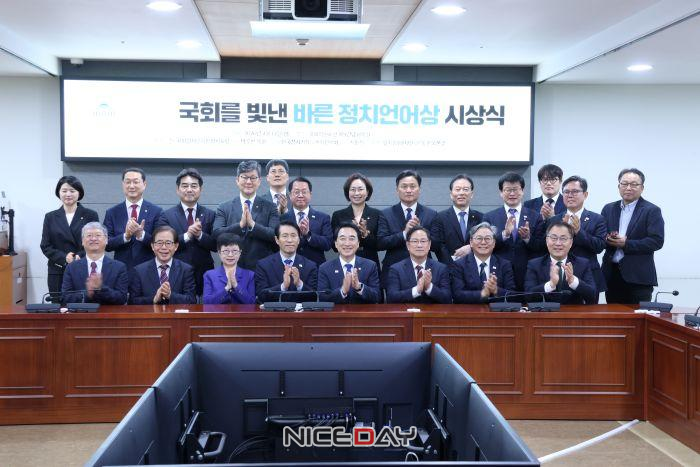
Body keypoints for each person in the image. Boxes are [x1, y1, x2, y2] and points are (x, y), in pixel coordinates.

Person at [601, 168, 664, 303]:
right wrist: (608, 238)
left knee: (639, 315)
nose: (628, 188)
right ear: (619, 186)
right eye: (624, 184)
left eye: (634, 184)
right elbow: (601, 235)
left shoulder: (651, 210)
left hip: (638, 277)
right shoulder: (608, 208)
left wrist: (626, 244)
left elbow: (656, 241)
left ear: (642, 188)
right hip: (612, 275)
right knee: (613, 315)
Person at [156, 168, 216, 296]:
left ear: (200, 189)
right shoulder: (166, 215)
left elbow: (216, 245)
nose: (189, 189)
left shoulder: (210, 214)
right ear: (177, 189)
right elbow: (162, 244)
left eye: (194, 186)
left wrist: (200, 235)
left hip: (203, 273)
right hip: (177, 273)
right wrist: (187, 235)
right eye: (185, 186)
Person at [212, 160, 280, 271]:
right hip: (232, 268)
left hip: (262, 269)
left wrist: (253, 225)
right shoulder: (224, 207)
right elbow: (216, 234)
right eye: (244, 177)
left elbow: (275, 235)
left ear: (259, 181)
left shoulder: (271, 207)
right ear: (237, 180)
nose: (248, 182)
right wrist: (240, 225)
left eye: (253, 178)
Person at [40, 176, 99, 301]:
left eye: (72, 191)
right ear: (58, 192)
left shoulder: (90, 215)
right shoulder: (50, 217)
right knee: (58, 307)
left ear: (79, 193)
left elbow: (95, 242)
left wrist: (80, 255)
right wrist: (64, 258)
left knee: (82, 305)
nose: (68, 194)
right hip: (57, 269)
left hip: (83, 268)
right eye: (64, 190)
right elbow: (45, 245)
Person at [549, 176, 607, 302]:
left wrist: (578, 232)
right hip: (560, 275)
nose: (570, 195)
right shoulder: (554, 220)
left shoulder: (597, 219)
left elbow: (599, 246)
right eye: (566, 192)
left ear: (585, 195)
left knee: (590, 313)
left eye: (575, 191)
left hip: (588, 276)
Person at [483, 172, 544, 290]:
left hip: (527, 272)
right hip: (499, 272)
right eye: (507, 190)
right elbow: (485, 245)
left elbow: (540, 247)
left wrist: (527, 238)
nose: (512, 193)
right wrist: (504, 234)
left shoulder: (535, 216)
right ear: (501, 192)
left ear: (522, 191)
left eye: (515, 189)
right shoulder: (489, 217)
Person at [378, 170, 437, 287]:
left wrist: (420, 231)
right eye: (404, 186)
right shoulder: (386, 214)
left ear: (419, 189)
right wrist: (404, 234)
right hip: (394, 270)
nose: (408, 190)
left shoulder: (431, 214)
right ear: (397, 190)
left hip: (424, 270)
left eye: (412, 186)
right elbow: (381, 242)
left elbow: (436, 244)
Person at [103, 168, 163, 276]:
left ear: (144, 184)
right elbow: (107, 244)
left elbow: (160, 243)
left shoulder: (156, 211)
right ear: (123, 184)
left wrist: (141, 235)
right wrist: (126, 236)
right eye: (128, 182)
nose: (131, 186)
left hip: (148, 270)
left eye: (136, 182)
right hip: (121, 271)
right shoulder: (112, 212)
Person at [524, 221, 596, 304]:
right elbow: (528, 297)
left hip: (574, 312)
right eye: (554, 238)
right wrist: (550, 284)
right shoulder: (534, 264)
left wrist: (573, 281)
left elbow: (593, 296)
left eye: (563, 239)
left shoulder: (582, 264)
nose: (558, 243)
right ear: (547, 240)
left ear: (571, 243)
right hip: (545, 312)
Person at [61, 222, 128, 305]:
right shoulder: (72, 268)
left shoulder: (119, 267)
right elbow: (65, 298)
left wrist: (100, 289)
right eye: (89, 235)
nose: (93, 239)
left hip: (108, 312)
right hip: (81, 312)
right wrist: (88, 294)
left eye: (98, 235)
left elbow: (122, 298)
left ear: (106, 240)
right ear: (82, 241)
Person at [128, 226, 196, 305]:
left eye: (168, 243)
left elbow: (192, 300)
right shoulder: (139, 271)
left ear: (176, 246)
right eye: (159, 243)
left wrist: (170, 295)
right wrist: (154, 299)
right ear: (152, 246)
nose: (164, 247)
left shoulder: (186, 270)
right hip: (150, 313)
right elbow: (132, 302)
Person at [450, 222, 515, 304]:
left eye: (487, 238)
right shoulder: (459, 265)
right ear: (471, 242)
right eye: (479, 238)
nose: (483, 242)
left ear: (494, 243)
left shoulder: (504, 265)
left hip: (497, 310)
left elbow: (512, 296)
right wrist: (482, 294)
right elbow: (457, 295)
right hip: (469, 310)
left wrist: (496, 290)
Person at [254, 222, 319, 303]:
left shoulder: (310, 266)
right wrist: (283, 286)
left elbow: (315, 297)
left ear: (299, 239)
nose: (289, 240)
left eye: (293, 236)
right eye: (285, 236)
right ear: (277, 240)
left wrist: (299, 284)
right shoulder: (263, 265)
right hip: (273, 310)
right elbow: (260, 296)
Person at [318, 223, 381, 304]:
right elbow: (322, 298)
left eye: (351, 239)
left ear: (358, 243)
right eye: (342, 238)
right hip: (336, 312)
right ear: (336, 244)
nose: (347, 243)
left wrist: (359, 287)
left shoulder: (370, 266)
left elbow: (377, 297)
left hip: (362, 312)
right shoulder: (325, 268)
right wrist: (342, 291)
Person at [385, 226, 451, 304]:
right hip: (406, 311)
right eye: (415, 241)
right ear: (408, 245)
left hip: (433, 311)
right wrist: (416, 290)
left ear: (429, 245)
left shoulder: (441, 268)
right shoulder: (396, 269)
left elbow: (448, 299)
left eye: (423, 241)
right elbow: (391, 298)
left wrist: (429, 287)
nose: (419, 245)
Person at [330, 173, 383, 268]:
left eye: (360, 189)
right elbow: (334, 246)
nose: (357, 193)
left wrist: (366, 235)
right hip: (345, 263)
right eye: (353, 190)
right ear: (348, 192)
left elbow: (381, 245)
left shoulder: (377, 214)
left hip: (370, 264)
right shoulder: (338, 215)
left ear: (367, 192)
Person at [280, 176, 332, 266]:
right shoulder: (282, 218)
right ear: (290, 195)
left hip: (315, 267)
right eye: (296, 192)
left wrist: (308, 235)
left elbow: (327, 244)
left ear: (310, 194)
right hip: (289, 266)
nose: (300, 195)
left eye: (304, 192)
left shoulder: (323, 218)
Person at [431, 174, 483, 264]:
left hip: (474, 267)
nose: (461, 193)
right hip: (448, 268)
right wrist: (452, 264)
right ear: (451, 194)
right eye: (457, 189)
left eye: (465, 189)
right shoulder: (440, 218)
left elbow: (485, 242)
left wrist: (472, 247)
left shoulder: (481, 218)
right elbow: (438, 246)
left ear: (471, 194)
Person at [202, 233, 255, 304]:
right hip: (217, 311)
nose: (230, 255)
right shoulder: (209, 275)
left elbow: (252, 303)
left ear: (240, 253)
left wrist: (236, 285)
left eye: (234, 251)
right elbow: (207, 303)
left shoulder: (249, 275)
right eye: (226, 251)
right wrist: (226, 288)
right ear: (219, 253)